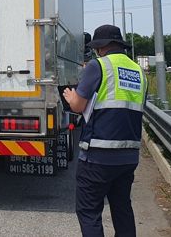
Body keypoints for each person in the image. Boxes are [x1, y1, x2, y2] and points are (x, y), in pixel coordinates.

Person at [62, 25, 147, 237]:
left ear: (101, 48)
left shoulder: (98, 66)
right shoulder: (139, 72)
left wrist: (71, 97)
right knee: (122, 209)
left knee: (89, 211)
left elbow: (79, 106)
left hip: (98, 156)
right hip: (128, 155)